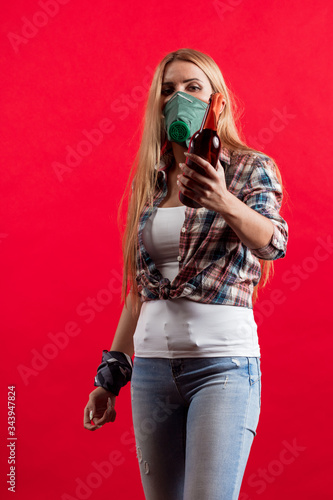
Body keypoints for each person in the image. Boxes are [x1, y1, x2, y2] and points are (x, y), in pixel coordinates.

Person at [83, 48, 288, 500]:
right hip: (152, 373)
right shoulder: (152, 183)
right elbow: (140, 292)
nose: (180, 97)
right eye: (170, 89)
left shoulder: (250, 168)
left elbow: (273, 242)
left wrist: (223, 200)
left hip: (223, 368)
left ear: (217, 101)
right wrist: (109, 379)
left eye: (193, 87)